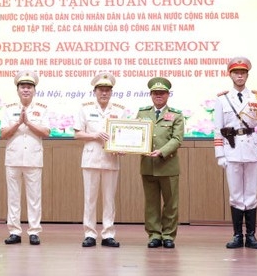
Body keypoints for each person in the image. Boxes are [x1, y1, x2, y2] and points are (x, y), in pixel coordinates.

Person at [213, 57, 257, 250]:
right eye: (236, 72)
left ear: (247, 75)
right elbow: (217, 129)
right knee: (236, 195)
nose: (239, 75)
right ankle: (237, 235)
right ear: (230, 75)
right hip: (232, 150)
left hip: (252, 150)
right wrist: (220, 154)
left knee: (251, 194)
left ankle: (251, 236)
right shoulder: (222, 99)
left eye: (243, 72)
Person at [74, 71, 128, 248]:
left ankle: (108, 234)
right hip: (90, 158)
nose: (104, 93)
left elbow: (125, 135)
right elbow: (77, 134)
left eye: (107, 90)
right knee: (90, 198)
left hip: (111, 160)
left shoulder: (119, 110)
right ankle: (89, 234)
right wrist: (94, 135)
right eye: (101, 90)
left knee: (109, 199)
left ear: (111, 92)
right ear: (94, 91)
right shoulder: (85, 108)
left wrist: (123, 147)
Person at [0, 70, 51, 245]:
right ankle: (14, 231)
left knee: (34, 197)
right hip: (13, 159)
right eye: (23, 87)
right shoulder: (8, 109)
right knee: (13, 197)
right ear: (18, 90)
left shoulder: (42, 109)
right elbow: (3, 133)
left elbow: (46, 132)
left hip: (33, 159)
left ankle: (34, 231)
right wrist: (18, 122)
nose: (26, 90)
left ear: (34, 90)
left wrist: (28, 123)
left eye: (29, 87)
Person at [135, 77, 185, 249]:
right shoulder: (142, 113)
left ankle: (169, 235)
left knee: (171, 204)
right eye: (155, 93)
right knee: (151, 204)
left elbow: (177, 139)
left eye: (162, 93)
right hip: (148, 165)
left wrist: (162, 151)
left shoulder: (176, 115)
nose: (158, 96)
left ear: (167, 95)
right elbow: (136, 136)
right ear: (150, 95)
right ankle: (154, 235)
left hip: (168, 166)